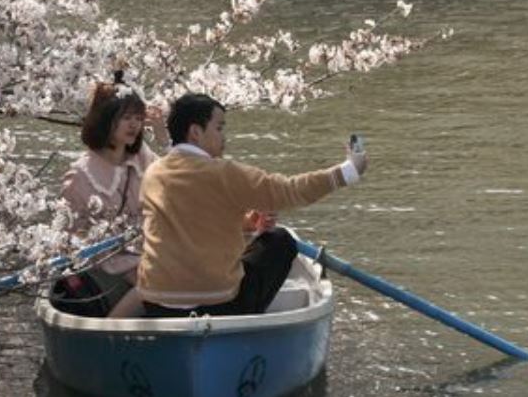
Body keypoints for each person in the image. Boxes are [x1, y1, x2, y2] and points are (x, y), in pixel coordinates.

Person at [136, 93, 368, 317]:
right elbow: (289, 190)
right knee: (280, 240)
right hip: (219, 303)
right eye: (219, 128)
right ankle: (248, 322)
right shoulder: (224, 173)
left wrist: (247, 223)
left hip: (157, 303)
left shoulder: (153, 173)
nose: (224, 137)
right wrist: (349, 171)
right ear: (195, 132)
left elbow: (191, 218)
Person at [59, 72, 167, 314]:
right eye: (126, 118)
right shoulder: (80, 176)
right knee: (159, 279)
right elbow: (70, 238)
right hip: (107, 265)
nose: (134, 125)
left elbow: (180, 182)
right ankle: (110, 331)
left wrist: (162, 136)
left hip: (147, 253)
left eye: (138, 118)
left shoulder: (142, 157)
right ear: (106, 119)